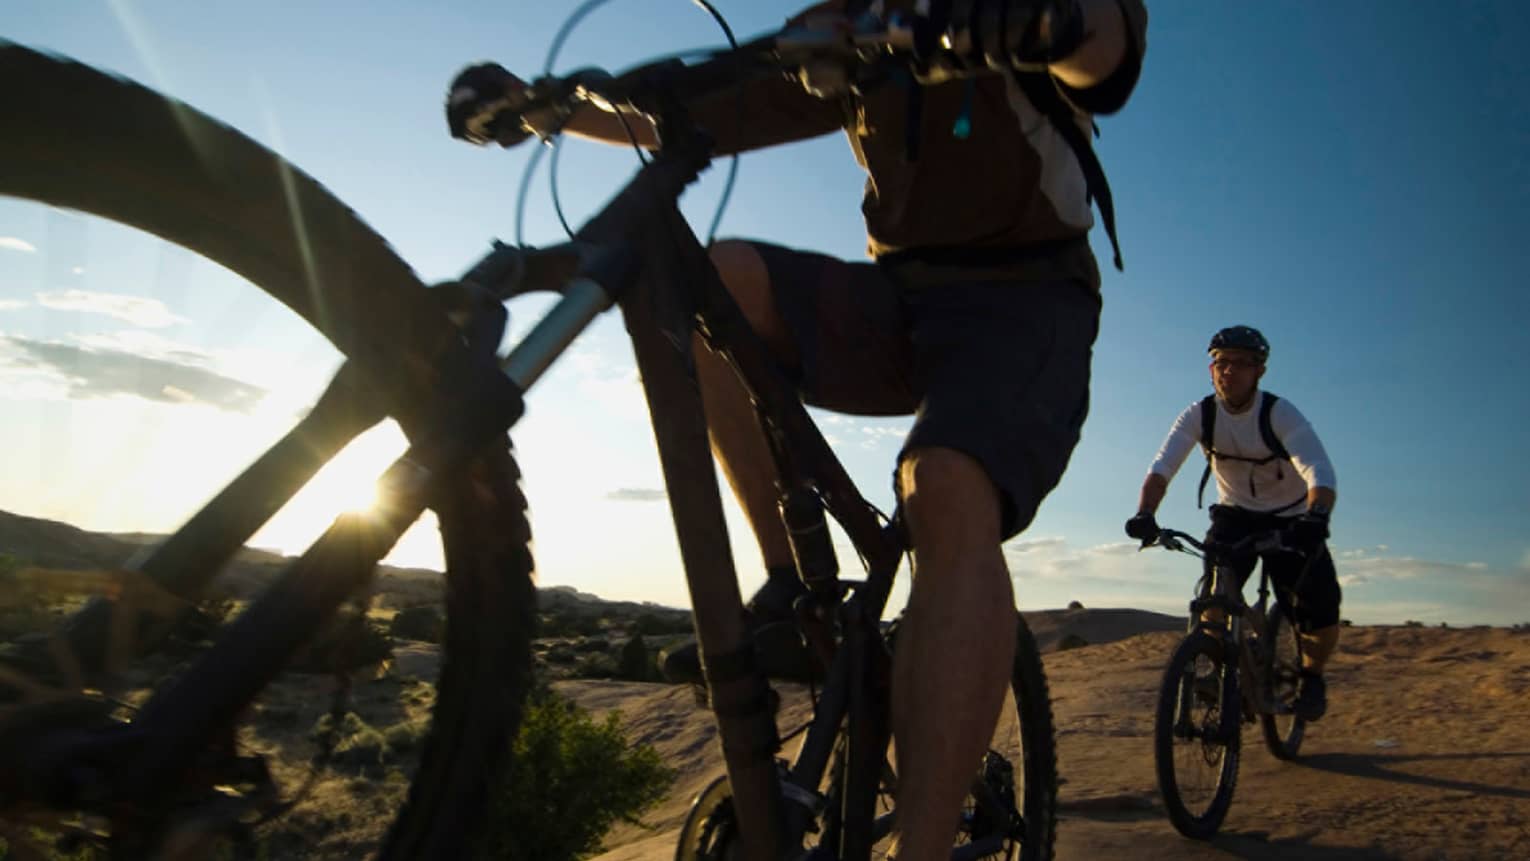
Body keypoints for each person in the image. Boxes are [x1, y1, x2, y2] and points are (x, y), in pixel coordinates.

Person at [449, 1, 1147, 856]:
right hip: (898, 299)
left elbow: (1103, 45)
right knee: (715, 283)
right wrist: (551, 107)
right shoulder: (859, 29)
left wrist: (1017, 26)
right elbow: (707, 107)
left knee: (945, 485)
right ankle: (792, 587)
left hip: (1026, 299)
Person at [1125, 325, 1340, 720]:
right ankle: (1218, 670)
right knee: (1214, 593)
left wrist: (1317, 516)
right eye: (1221, 363)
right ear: (1211, 370)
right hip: (1235, 515)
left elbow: (1318, 470)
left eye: (1241, 363)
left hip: (1292, 518)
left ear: (1259, 371)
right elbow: (1162, 468)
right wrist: (1145, 513)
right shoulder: (1199, 414)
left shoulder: (1279, 413)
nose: (1229, 371)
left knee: (1319, 608)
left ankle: (1311, 677)